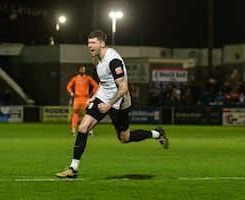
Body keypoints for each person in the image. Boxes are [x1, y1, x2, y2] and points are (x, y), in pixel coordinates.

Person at [56, 30, 169, 178]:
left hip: (120, 101)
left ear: (102, 44)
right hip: (103, 97)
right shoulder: (96, 58)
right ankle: (73, 168)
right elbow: (103, 82)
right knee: (83, 128)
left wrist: (109, 104)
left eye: (93, 43)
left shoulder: (113, 60)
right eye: (88, 42)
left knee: (124, 138)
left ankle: (156, 134)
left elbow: (123, 88)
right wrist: (94, 97)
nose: (89, 45)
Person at [66, 66, 98, 136]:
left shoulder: (88, 78)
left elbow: (96, 85)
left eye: (83, 69)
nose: (83, 70)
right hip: (77, 98)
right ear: (78, 70)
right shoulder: (75, 78)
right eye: (81, 69)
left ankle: (89, 130)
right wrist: (71, 93)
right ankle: (73, 131)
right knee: (75, 114)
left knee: (88, 114)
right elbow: (68, 86)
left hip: (85, 98)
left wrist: (92, 93)